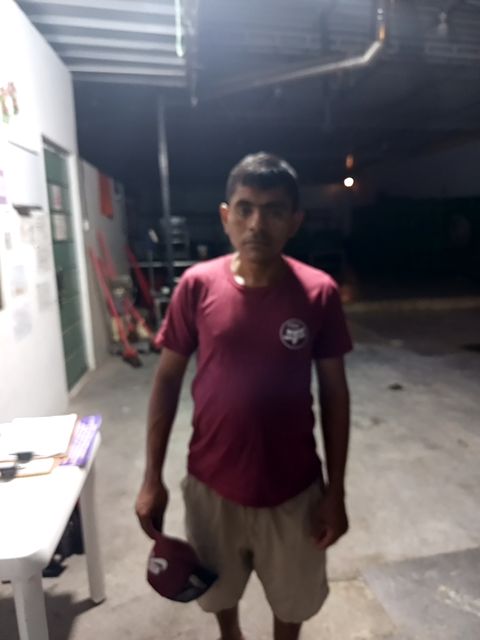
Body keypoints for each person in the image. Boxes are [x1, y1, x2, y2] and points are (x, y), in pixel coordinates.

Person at [135, 152, 352, 640]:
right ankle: (230, 635)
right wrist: (152, 478)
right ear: (225, 216)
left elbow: (335, 394)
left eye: (274, 211)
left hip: (294, 490)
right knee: (218, 592)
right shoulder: (197, 286)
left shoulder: (318, 293)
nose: (257, 223)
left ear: (295, 221)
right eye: (245, 208)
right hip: (212, 486)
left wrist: (335, 492)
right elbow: (167, 380)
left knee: (293, 601)